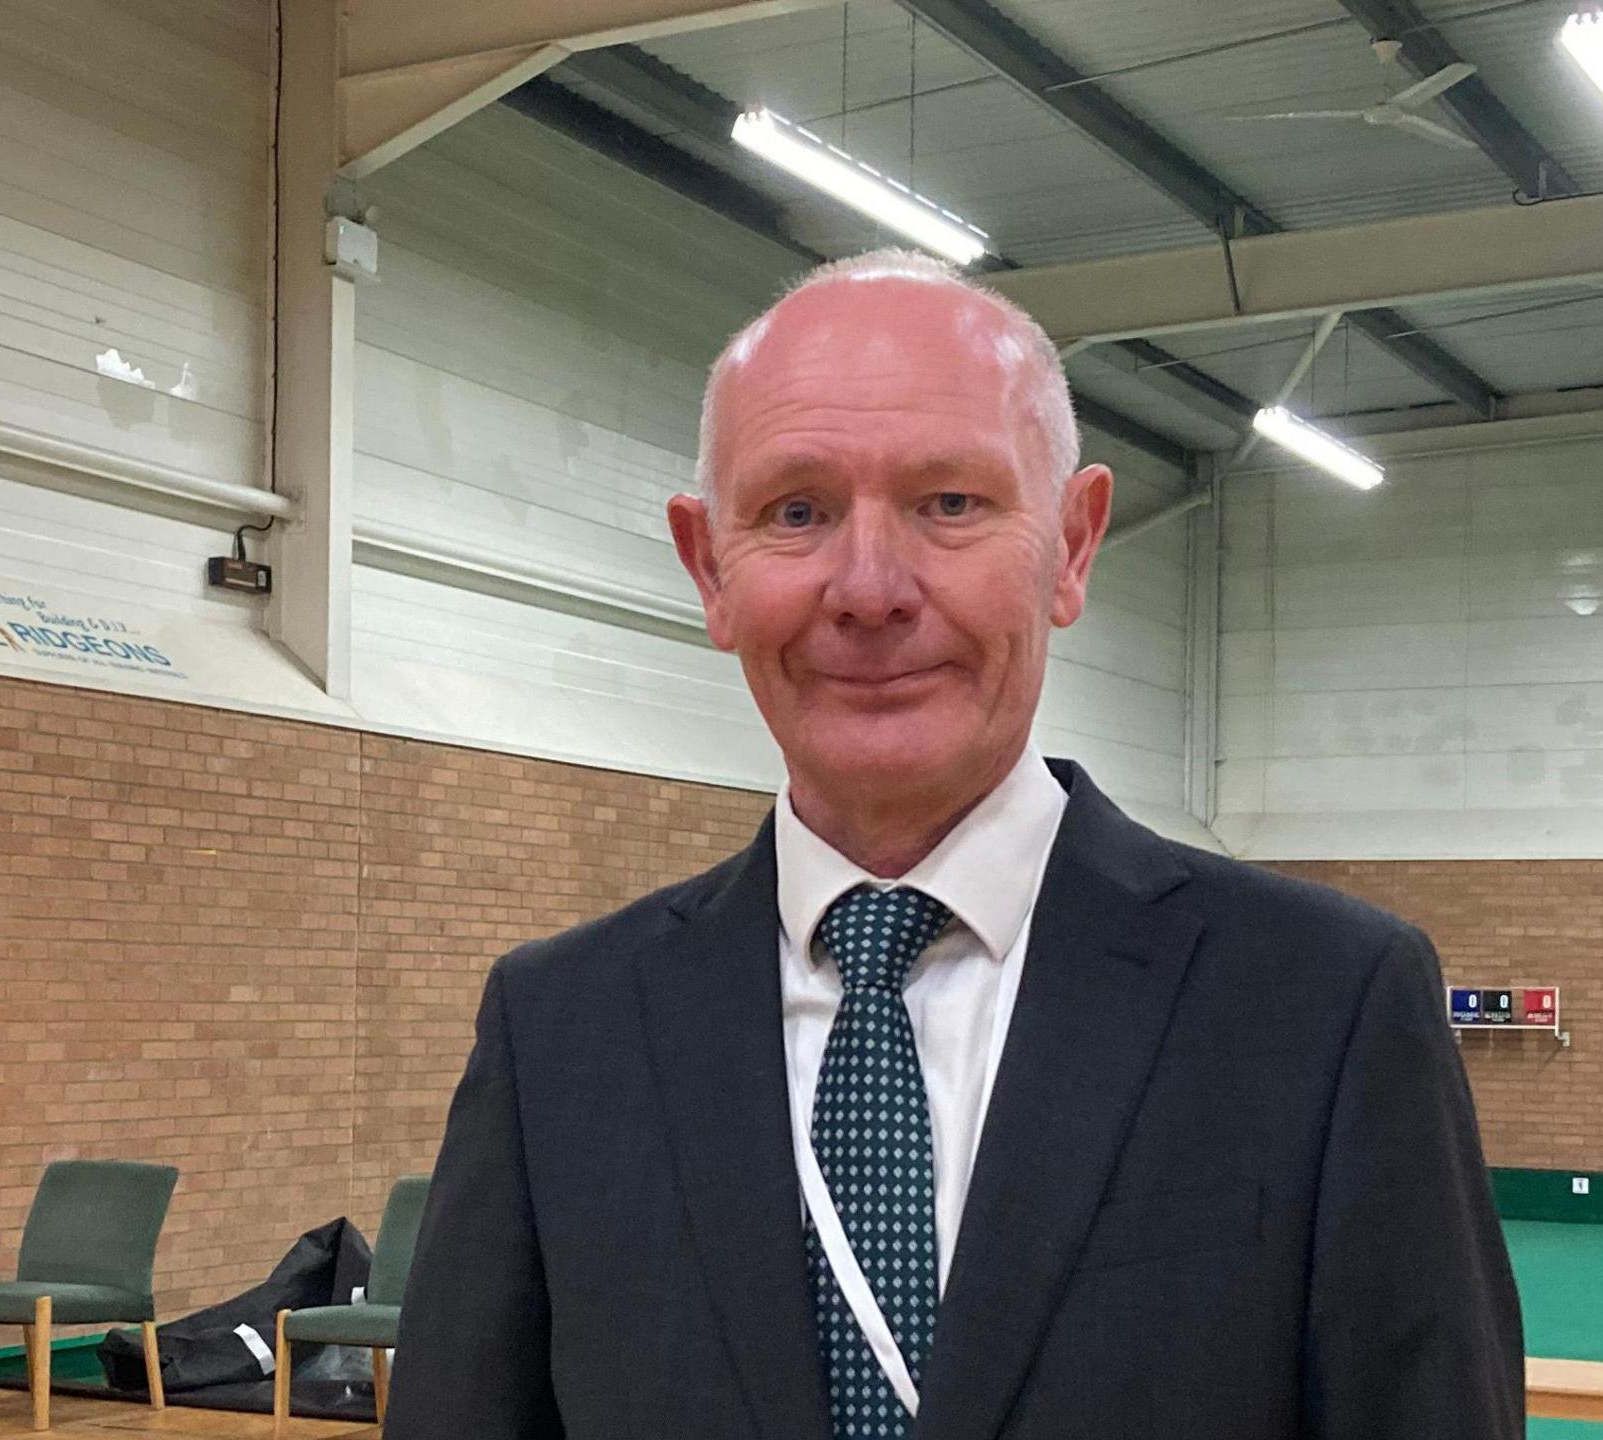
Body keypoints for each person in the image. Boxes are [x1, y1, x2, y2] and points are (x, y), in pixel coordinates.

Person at [384, 249, 1523, 1439]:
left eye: (950, 504)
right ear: (708, 568)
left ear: (1072, 547)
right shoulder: (560, 1031)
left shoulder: (1320, 1006)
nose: (869, 588)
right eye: (797, 512)